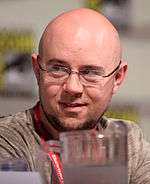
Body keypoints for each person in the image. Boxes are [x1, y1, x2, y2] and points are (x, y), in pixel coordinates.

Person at [0, 8, 150, 184]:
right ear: (36, 70)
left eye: (90, 72)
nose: (72, 87)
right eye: (57, 69)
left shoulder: (127, 141)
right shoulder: (7, 139)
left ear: (117, 77)